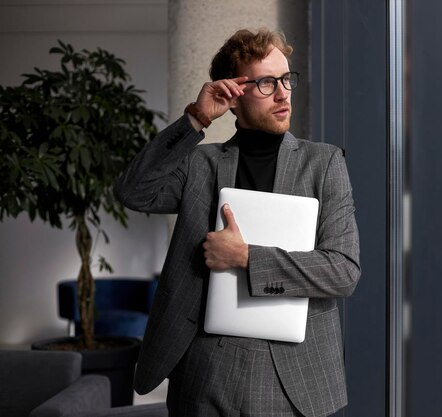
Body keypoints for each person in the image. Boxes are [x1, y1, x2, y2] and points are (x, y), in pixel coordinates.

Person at [114, 28, 361, 417]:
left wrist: (245, 256)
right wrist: (195, 120)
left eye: (285, 79)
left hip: (294, 375)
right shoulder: (200, 163)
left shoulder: (324, 163)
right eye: (265, 83)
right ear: (233, 96)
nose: (282, 93)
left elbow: (343, 271)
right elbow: (134, 191)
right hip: (206, 366)